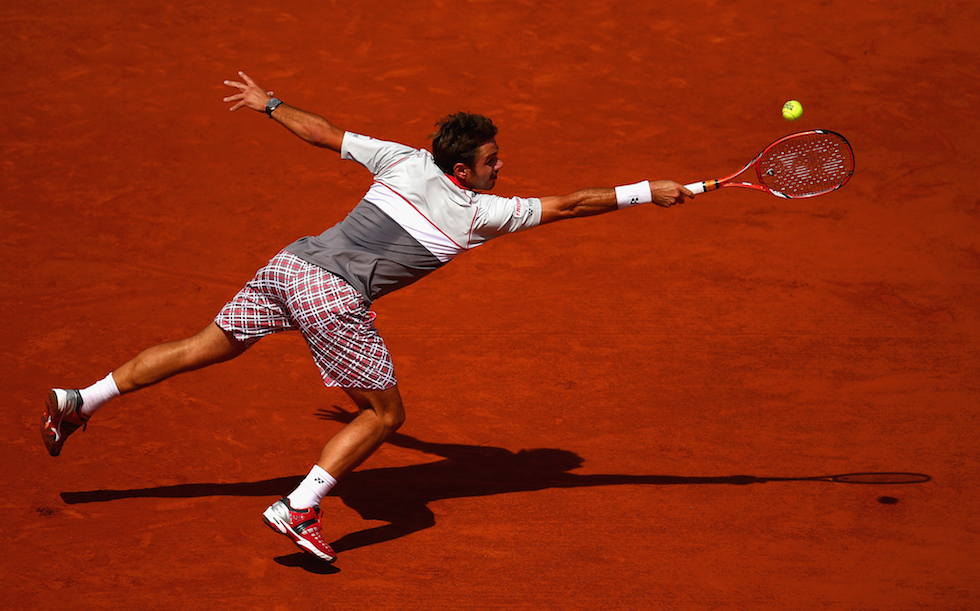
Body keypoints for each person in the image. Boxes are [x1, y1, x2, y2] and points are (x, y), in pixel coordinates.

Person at [41, 71, 694, 563]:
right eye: (494, 160)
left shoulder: (405, 158)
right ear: (464, 169)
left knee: (200, 345)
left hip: (290, 265)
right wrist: (648, 190)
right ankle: (299, 506)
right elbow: (572, 205)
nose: (504, 167)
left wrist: (269, 104)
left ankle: (80, 398)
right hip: (333, 296)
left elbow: (325, 135)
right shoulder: (477, 215)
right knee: (385, 415)